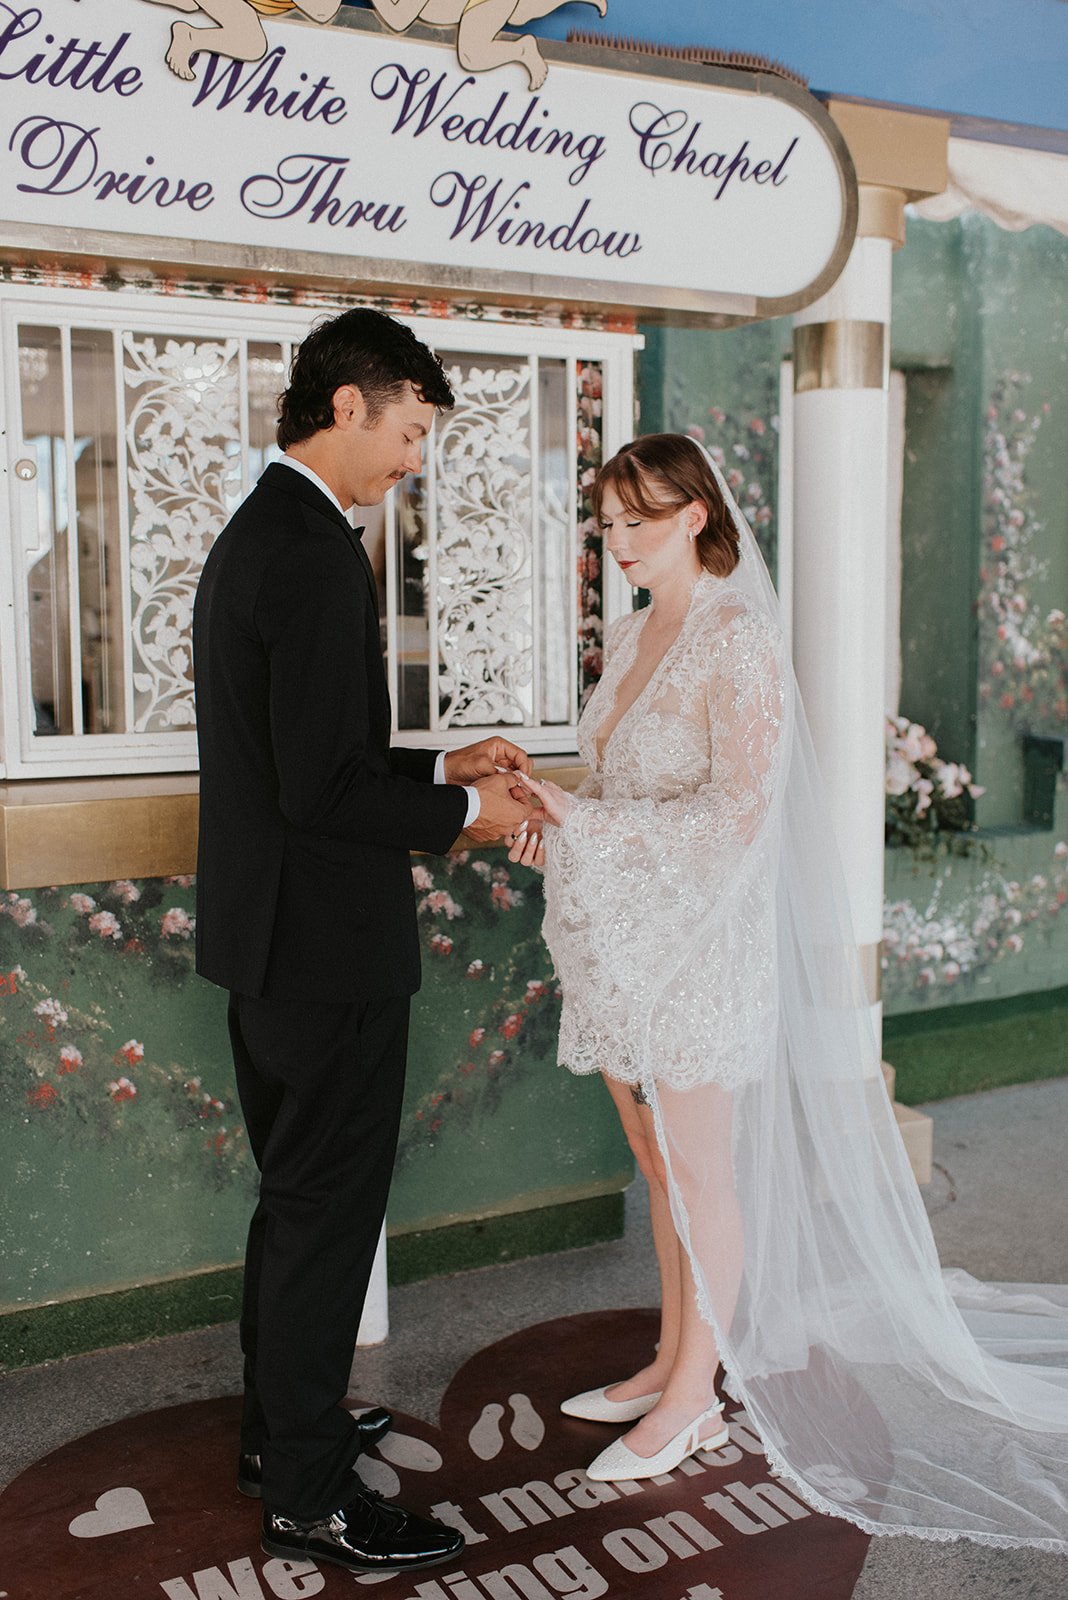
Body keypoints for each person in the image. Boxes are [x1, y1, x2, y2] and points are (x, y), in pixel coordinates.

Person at [509, 432, 1068, 1548]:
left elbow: (737, 817)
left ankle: (693, 1400)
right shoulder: (630, 635)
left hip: (703, 944)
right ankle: (672, 1355)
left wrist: (589, 822)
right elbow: (614, 779)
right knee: (655, 1159)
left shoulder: (739, 640)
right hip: (620, 939)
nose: (615, 540)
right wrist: (550, 806)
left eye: (637, 518)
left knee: (702, 1170)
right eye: (607, 521)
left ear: (696, 516)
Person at [193, 307, 534, 1576]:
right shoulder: (315, 551)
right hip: (323, 947)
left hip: (271, 936)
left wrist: (442, 758)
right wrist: (466, 813)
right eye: (406, 430)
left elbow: (313, 753)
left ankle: (281, 1438)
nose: (413, 458)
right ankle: (308, 1492)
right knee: (327, 1217)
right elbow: (323, 792)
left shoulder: (264, 534)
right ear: (348, 406)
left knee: (297, 1208)